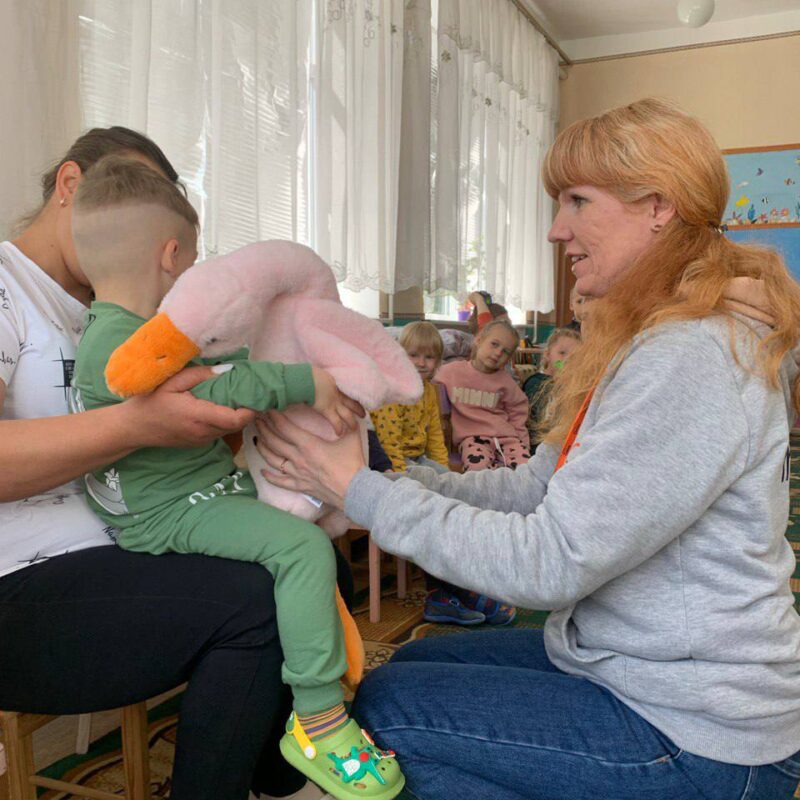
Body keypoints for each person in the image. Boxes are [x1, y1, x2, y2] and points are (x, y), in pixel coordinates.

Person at [254, 98, 800, 800]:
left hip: (699, 734)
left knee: (386, 717)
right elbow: (539, 486)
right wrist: (388, 477)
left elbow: (550, 563)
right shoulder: (656, 337)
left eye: (577, 201)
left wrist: (362, 493)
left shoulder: (691, 353)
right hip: (634, 668)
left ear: (657, 207)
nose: (556, 229)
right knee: (406, 674)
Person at [0, 126, 353, 800]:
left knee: (314, 561)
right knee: (257, 600)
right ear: (71, 187)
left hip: (125, 546)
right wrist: (135, 425)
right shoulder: (8, 291)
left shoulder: (132, 312)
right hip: (20, 583)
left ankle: (275, 774)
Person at [68, 156, 403, 800]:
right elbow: (224, 385)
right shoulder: (123, 348)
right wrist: (310, 381)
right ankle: (319, 720)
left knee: (305, 530)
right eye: (193, 261)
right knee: (301, 549)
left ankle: (278, 750)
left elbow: (226, 359)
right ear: (172, 255)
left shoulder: (118, 328)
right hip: (169, 512)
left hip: (192, 492)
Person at [435, 319, 530, 473]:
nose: (498, 352)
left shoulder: (506, 381)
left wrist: (523, 442)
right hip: (472, 439)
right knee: (477, 470)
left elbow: (518, 411)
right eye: (494, 344)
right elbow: (427, 379)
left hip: (508, 438)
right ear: (479, 340)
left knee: (525, 470)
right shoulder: (451, 372)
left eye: (505, 351)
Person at [370, 321, 449, 475]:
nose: (421, 363)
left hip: (418, 457)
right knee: (425, 482)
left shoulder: (429, 390)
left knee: (446, 478)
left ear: (438, 361)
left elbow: (435, 436)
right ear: (399, 355)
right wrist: (400, 478)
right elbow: (388, 442)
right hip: (392, 461)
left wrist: (444, 470)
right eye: (413, 355)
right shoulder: (392, 391)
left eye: (429, 357)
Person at [523, 327, 581, 450]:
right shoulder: (536, 383)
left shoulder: (576, 388)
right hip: (537, 448)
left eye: (575, 357)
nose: (567, 360)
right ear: (547, 354)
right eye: (562, 353)